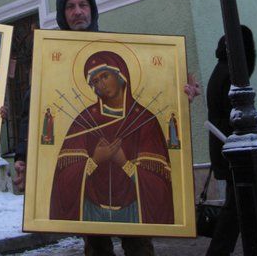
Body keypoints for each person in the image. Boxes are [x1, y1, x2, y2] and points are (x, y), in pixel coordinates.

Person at [49, 49, 174, 225]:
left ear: (121, 75)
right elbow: (64, 176)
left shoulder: (145, 120)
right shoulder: (85, 120)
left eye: (104, 76)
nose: (100, 84)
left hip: (133, 208)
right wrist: (95, 160)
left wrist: (124, 163)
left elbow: (159, 182)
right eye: (95, 81)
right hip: (93, 208)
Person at [205, 25, 256, 256]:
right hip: (233, 148)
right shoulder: (230, 73)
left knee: (239, 206)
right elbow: (233, 115)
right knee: (235, 209)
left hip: (224, 147)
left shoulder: (221, 69)